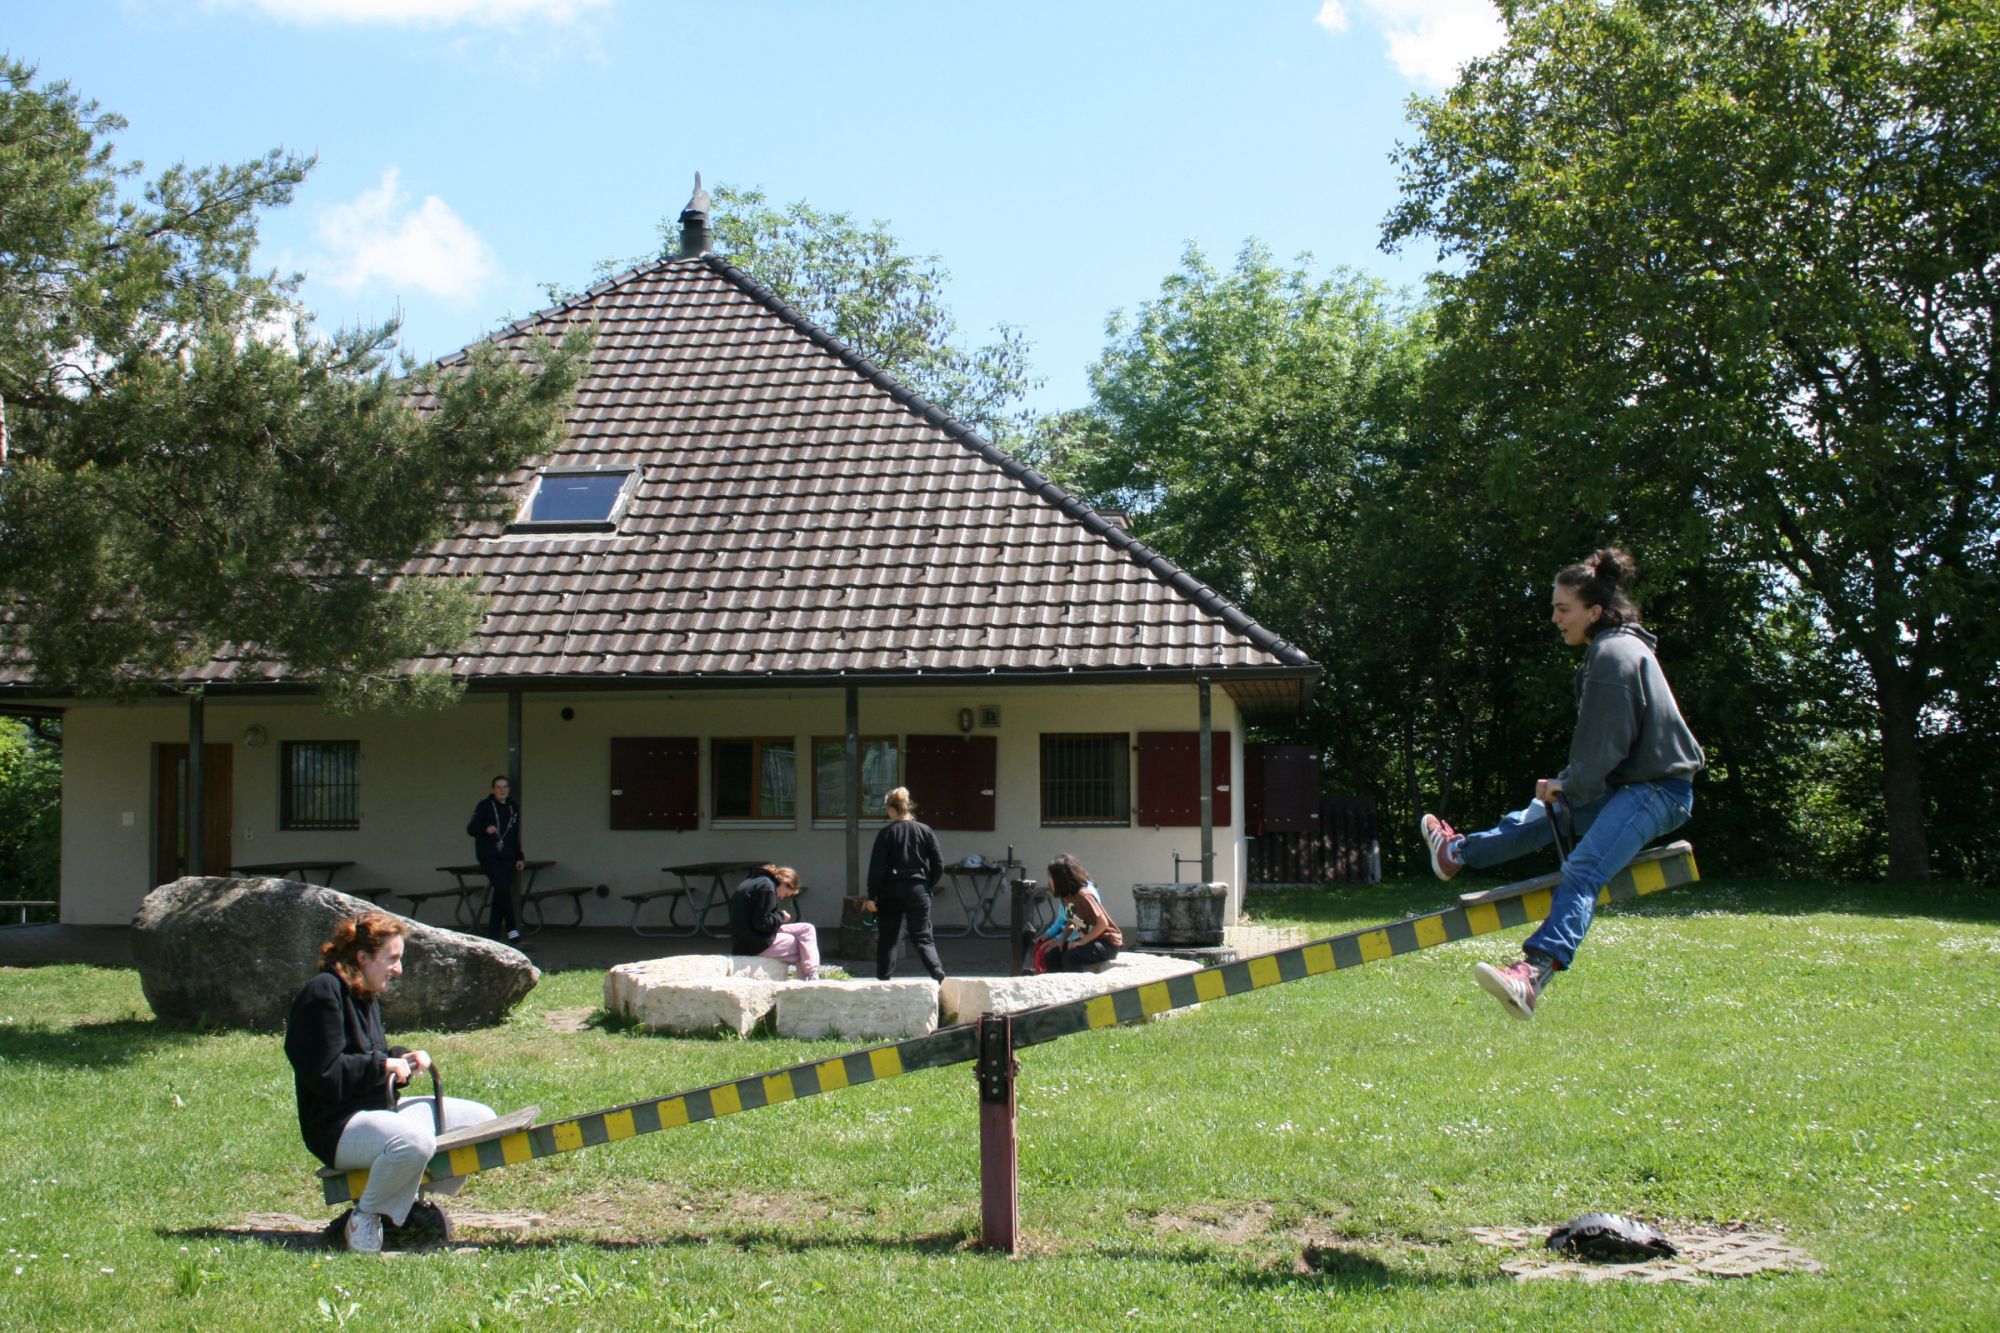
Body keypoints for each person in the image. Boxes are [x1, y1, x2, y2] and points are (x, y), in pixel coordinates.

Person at [1420, 547, 1704, 1020]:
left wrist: (1572, 783)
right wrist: (1567, 785)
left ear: (1595, 611)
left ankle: (1532, 975)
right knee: (1544, 817)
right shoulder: (1616, 648)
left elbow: (1603, 743)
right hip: (1633, 784)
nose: (1555, 618)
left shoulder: (1611, 655)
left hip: (1657, 789)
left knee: (1584, 869)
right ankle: (1458, 852)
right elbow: (1610, 748)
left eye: (1563, 608)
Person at [284, 911, 496, 1253]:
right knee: (414, 1143)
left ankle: (408, 1208)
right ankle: (365, 1219)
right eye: (392, 959)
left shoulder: (364, 992)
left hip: (377, 1110)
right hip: (337, 1126)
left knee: (482, 1120)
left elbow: (371, 1054)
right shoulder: (322, 994)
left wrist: (402, 1057)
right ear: (362, 957)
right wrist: (383, 1065)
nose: (398, 969)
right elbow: (324, 1072)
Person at [866, 786, 946, 982]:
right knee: (922, 936)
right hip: (918, 889)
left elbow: (876, 869)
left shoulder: (886, 833)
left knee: (888, 937)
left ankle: (884, 978)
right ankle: (936, 971)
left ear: (892, 809)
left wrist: (872, 896)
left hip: (890, 891)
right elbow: (938, 864)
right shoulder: (925, 831)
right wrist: (927, 884)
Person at [728, 864, 821, 979]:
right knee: (801, 947)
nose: (782, 898)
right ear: (785, 883)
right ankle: (810, 977)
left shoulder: (755, 881)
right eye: (786, 894)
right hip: (753, 945)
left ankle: (811, 974)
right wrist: (781, 916)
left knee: (807, 928)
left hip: (746, 938)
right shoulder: (767, 888)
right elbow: (762, 923)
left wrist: (777, 917)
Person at [1038, 853, 1123, 972]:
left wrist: (1083, 941)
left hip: (1106, 942)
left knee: (1070, 957)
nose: (1049, 881)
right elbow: (1072, 922)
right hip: (1090, 940)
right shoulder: (1066, 897)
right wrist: (1061, 940)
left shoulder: (1083, 895)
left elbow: (1103, 923)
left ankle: (1076, 983)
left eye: (1050, 877)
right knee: (1051, 956)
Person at [467, 775, 525, 944]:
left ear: (509, 789)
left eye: (505, 786)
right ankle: (512, 930)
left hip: (508, 857)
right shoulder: (484, 806)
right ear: (493, 789)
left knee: (500, 894)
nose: (502, 790)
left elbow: (514, 835)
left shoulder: (512, 808)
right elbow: (471, 828)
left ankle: (493, 936)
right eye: (498, 787)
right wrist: (486, 828)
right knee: (502, 889)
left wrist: (519, 857)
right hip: (489, 856)